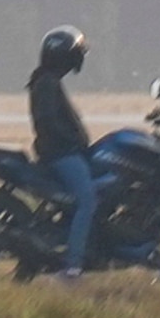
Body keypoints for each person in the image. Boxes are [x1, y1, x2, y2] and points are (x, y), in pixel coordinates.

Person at [29, 27, 102, 279]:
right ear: (64, 56)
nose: (78, 58)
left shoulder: (47, 80)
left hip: (62, 152)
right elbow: (48, 122)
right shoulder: (46, 83)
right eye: (75, 54)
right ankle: (72, 267)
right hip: (61, 155)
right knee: (87, 200)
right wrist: (74, 141)